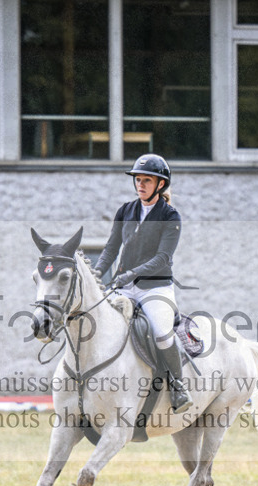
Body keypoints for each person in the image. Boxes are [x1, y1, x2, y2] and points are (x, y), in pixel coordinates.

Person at [95, 153, 192, 414]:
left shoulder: (170, 216)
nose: (140, 184)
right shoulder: (126, 210)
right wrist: (97, 272)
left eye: (146, 180)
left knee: (161, 332)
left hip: (155, 288)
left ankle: (178, 386)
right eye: (138, 180)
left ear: (160, 185)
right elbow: (111, 248)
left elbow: (162, 258)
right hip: (124, 286)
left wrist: (130, 274)